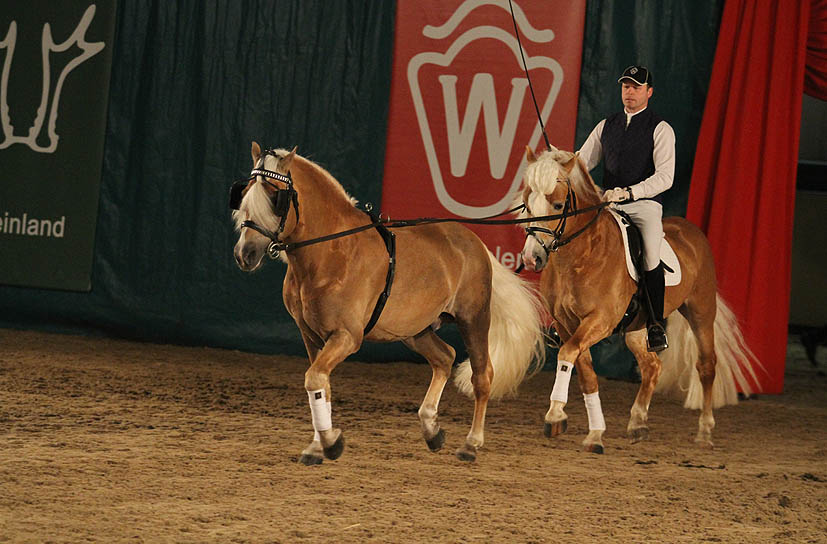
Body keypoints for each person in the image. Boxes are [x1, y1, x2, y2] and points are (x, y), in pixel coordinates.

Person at [577, 65, 676, 352]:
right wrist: (560, 164)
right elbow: (582, 162)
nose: (629, 92)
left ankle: (656, 325)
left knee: (650, 255)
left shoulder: (660, 128)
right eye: (626, 86)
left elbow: (665, 176)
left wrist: (632, 192)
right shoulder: (606, 125)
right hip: (609, 204)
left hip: (644, 206)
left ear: (649, 92)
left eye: (636, 87)